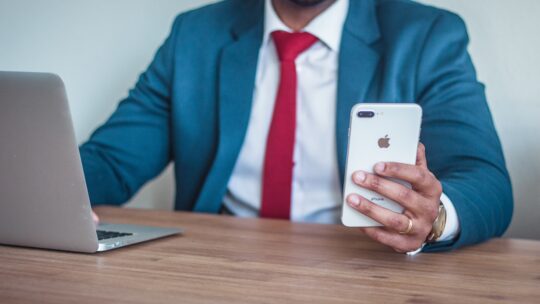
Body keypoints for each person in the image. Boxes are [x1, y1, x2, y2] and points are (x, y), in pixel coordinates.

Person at [80, 0, 513, 253]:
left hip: (362, 267)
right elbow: (112, 161)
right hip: (214, 268)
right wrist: (36, 188)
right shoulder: (195, 34)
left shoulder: (427, 35)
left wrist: (433, 218)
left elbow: (486, 182)